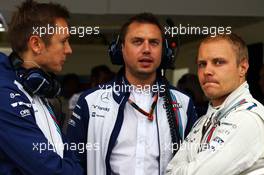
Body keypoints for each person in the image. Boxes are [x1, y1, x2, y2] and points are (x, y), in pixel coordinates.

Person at [67, 13, 197, 175]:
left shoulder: (183, 103)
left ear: (164, 51)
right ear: (120, 49)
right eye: (137, 42)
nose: (147, 49)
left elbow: (194, 161)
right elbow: (73, 162)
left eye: (154, 43)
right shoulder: (90, 101)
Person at [0, 0, 84, 174]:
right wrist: (76, 168)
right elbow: (49, 169)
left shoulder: (39, 90)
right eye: (64, 41)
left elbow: (62, 151)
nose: (69, 50)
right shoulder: (5, 93)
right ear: (36, 44)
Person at [166, 33, 264, 175]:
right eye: (202, 64)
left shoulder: (248, 119)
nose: (207, 71)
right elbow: (170, 171)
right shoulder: (203, 121)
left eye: (218, 62)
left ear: (242, 67)